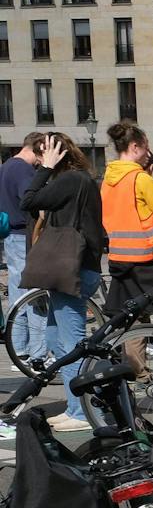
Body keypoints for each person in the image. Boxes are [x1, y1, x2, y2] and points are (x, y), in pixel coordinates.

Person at [17, 133, 105, 433]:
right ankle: (74, 406)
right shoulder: (78, 180)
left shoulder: (70, 180)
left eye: (42, 155)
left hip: (73, 268)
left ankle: (83, 412)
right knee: (57, 340)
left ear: (55, 154)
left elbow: (27, 199)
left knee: (71, 343)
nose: (39, 162)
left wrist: (44, 171)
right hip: (74, 266)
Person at [99, 121, 153, 331]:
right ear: (135, 147)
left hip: (119, 258)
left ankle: (135, 365)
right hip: (149, 257)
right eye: (146, 148)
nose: (147, 154)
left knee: (132, 320)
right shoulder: (140, 178)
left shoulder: (107, 180)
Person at [1, 132, 45, 377]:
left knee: (19, 293)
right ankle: (35, 351)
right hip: (23, 233)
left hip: (10, 234)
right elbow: (32, 201)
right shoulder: (23, 171)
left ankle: (19, 348)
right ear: (37, 149)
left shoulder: (7, 166)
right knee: (33, 293)